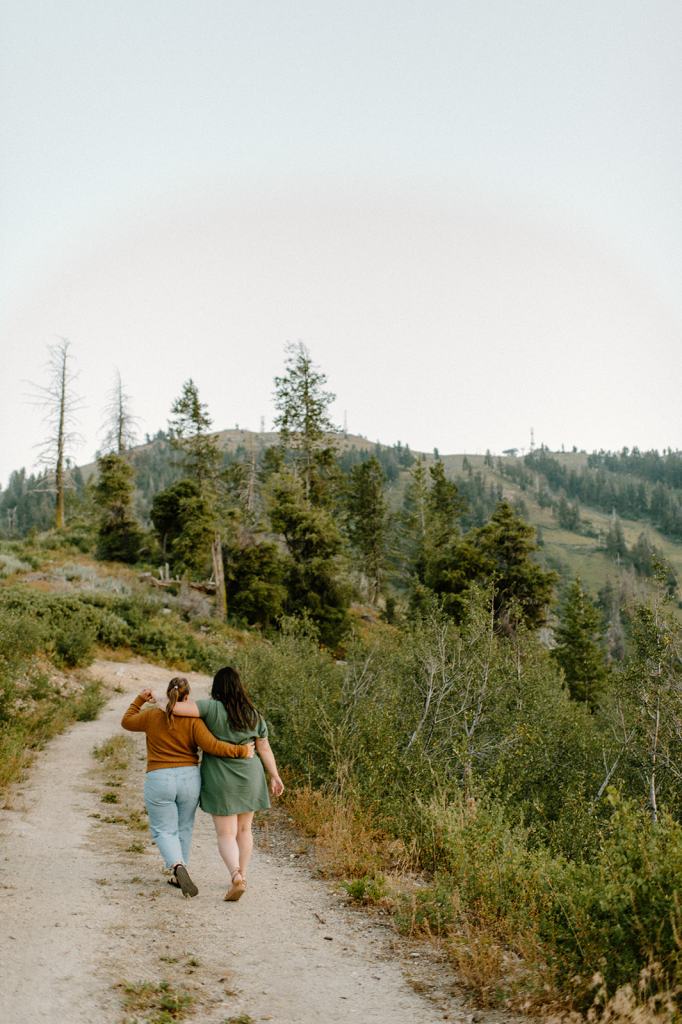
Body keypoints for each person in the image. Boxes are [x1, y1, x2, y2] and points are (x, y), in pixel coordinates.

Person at [121, 676, 254, 898]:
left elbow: (126, 721)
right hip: (189, 779)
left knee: (163, 829)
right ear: (187, 697)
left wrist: (139, 700)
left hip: (159, 777)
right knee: (184, 826)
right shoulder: (193, 721)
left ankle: (177, 866)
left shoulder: (152, 715)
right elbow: (212, 745)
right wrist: (241, 751)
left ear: (168, 692)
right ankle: (178, 872)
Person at [170, 665, 284, 901]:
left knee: (225, 833)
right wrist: (275, 775)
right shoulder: (252, 713)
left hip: (221, 778)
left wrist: (173, 694)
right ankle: (243, 875)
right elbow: (263, 746)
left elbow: (174, 708)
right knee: (244, 829)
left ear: (216, 687)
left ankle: (235, 876)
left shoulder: (211, 708)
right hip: (250, 776)